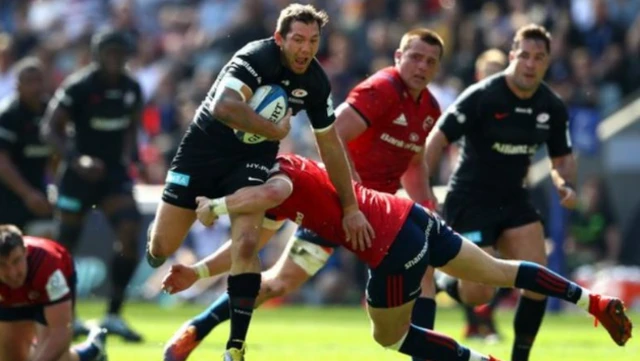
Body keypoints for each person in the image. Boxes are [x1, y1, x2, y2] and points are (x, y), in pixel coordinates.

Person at [163, 154, 631, 361]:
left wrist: (216, 207)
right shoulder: (273, 188)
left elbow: (274, 188)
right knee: (502, 273)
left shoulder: (272, 178)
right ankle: (592, 301)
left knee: (390, 337)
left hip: (391, 245)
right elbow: (250, 244)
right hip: (413, 216)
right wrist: (199, 270)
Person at [163, 27, 445, 361]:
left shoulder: (429, 108)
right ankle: (198, 327)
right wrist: (353, 200)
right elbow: (333, 136)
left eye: (430, 61)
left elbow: (413, 163)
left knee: (423, 263)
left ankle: (199, 317)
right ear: (398, 57)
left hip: (373, 213)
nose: (421, 66)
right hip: (338, 205)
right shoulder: (381, 89)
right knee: (277, 283)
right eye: (414, 57)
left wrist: (426, 202)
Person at [146, 4, 373, 360]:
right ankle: (166, 253)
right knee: (160, 248)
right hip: (203, 151)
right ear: (279, 38)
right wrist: (275, 129)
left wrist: (350, 206)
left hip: (251, 159)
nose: (305, 49)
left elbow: (330, 146)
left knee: (248, 243)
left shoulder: (315, 81)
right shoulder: (255, 56)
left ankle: (235, 347)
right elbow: (224, 106)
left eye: (313, 41)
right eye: (297, 39)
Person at [424, 24, 578, 361]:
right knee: (480, 291)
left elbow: (562, 160)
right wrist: (423, 190)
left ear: (547, 62)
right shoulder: (484, 95)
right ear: (512, 56)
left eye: (538, 57)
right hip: (470, 198)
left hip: (513, 199)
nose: (530, 63)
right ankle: (444, 281)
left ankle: (520, 357)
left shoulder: (551, 106)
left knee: (540, 279)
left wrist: (564, 183)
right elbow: (437, 138)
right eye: (524, 55)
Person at [41, 29, 145, 341]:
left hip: (113, 174)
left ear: (127, 56)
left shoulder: (132, 88)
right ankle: (65, 316)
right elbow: (50, 128)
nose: (114, 58)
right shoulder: (79, 86)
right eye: (109, 52)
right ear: (98, 54)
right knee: (65, 245)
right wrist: (76, 160)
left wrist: (130, 160)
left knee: (130, 230)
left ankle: (113, 314)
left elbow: (131, 127)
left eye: (120, 52)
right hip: (78, 175)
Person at [450, 48, 511, 341]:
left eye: (498, 71)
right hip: (470, 198)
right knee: (472, 260)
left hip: (503, 196)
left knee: (508, 259)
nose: (493, 77)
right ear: (478, 74)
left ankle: (482, 318)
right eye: (489, 70)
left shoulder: (514, 108)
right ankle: (476, 320)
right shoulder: (469, 106)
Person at [0, 224, 108, 361]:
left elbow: (61, 331)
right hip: (11, 298)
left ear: (25, 252)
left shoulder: (48, 265)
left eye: (16, 261)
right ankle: (90, 354)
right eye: (2, 265)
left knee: (53, 355)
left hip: (45, 292)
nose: (12, 273)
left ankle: (92, 350)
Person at [0, 58, 53, 233]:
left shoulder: (52, 112)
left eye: (39, 81)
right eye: (29, 82)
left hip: (38, 190)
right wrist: (28, 194)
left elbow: (57, 153)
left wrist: (54, 187)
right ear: (17, 85)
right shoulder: (8, 115)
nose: (35, 87)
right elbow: (2, 161)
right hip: (8, 193)